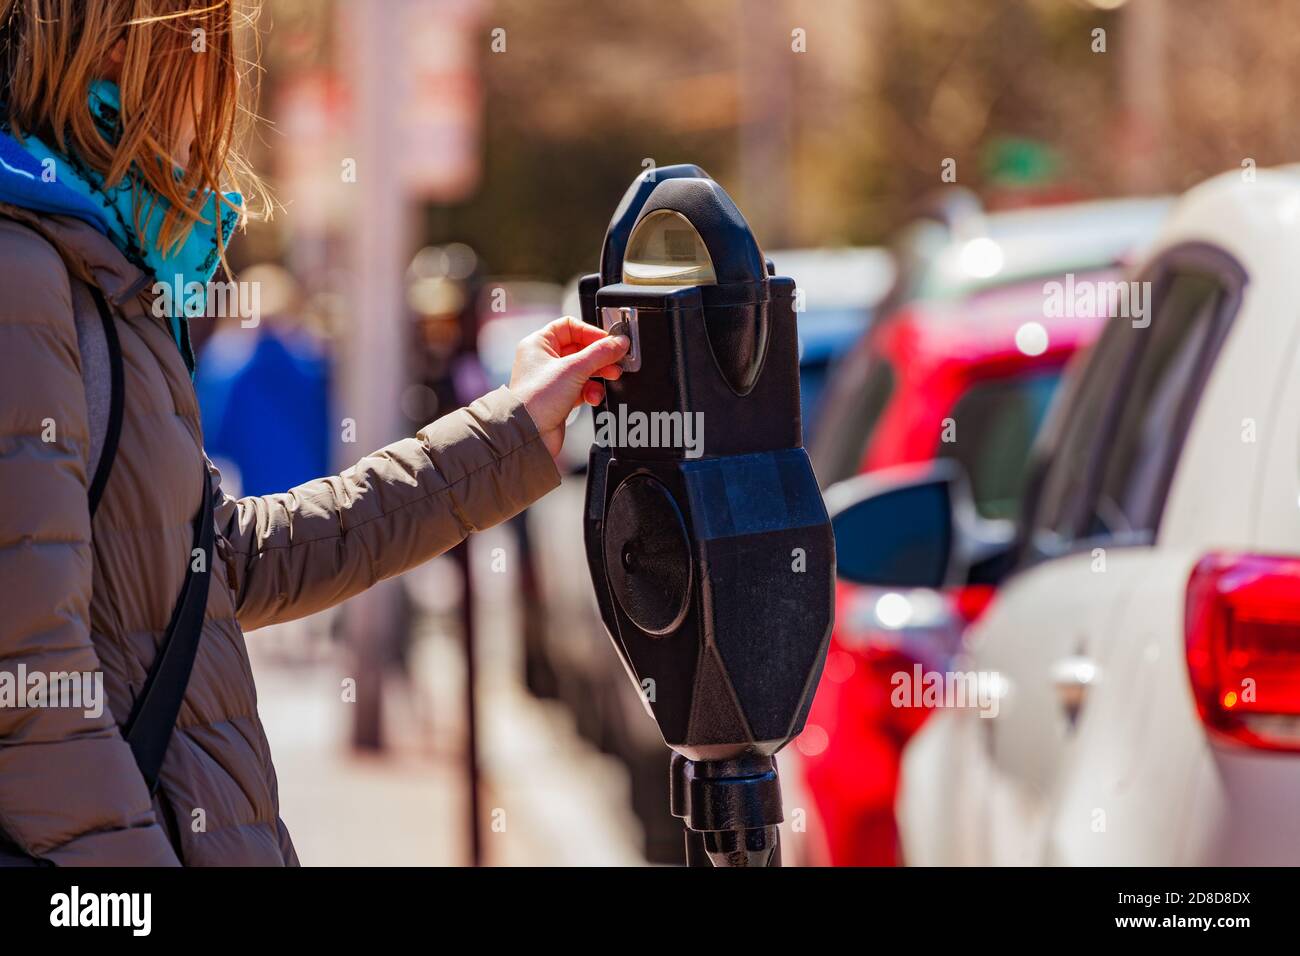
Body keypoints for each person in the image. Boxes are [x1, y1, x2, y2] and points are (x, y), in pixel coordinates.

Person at [0, 1, 627, 866]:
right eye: (201, 42)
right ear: (113, 41)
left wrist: (509, 428)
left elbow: (218, 563)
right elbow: (28, 696)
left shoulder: (89, 260)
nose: (208, 83)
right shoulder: (25, 270)